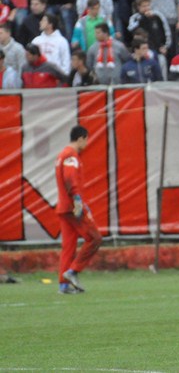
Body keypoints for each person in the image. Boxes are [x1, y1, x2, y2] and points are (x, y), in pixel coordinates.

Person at [56, 125, 102, 294]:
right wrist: (77, 200)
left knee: (68, 247)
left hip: (63, 207)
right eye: (86, 139)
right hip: (72, 207)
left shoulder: (61, 155)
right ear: (81, 138)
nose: (87, 143)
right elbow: (69, 177)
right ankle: (73, 271)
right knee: (95, 238)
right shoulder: (70, 155)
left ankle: (64, 285)